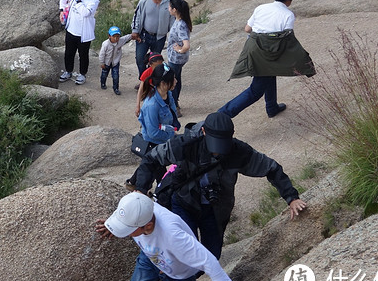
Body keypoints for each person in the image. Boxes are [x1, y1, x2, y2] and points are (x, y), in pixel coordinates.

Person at [128, 112, 307, 261]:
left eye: (223, 146)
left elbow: (272, 168)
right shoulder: (185, 144)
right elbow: (151, 158)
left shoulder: (238, 152)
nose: (218, 151)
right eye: (215, 145)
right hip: (184, 202)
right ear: (204, 132)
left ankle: (191, 278)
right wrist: (141, 189)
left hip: (215, 209)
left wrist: (291, 198)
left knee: (211, 255)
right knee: (185, 248)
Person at [97, 192, 238, 281]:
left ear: (148, 226)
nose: (126, 234)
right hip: (150, 257)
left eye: (128, 229)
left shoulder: (174, 236)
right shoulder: (139, 206)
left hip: (179, 272)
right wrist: (113, 226)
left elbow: (209, 261)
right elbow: (135, 197)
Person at [219, 0, 315, 119]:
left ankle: (272, 107)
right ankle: (222, 115)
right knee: (255, 91)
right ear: (289, 0)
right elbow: (286, 39)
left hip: (254, 50)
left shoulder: (260, 8)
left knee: (269, 72)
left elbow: (247, 29)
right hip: (270, 53)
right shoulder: (288, 15)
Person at [59, 0, 100, 85]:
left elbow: (86, 13)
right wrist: (62, 10)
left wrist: (77, 0)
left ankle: (82, 74)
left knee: (83, 55)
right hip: (71, 30)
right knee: (69, 53)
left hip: (84, 33)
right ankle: (68, 71)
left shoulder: (94, 0)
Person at [130, 0, 171, 83]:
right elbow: (137, 15)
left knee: (155, 61)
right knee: (140, 59)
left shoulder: (169, 3)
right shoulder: (144, 1)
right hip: (144, 35)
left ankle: (153, 81)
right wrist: (135, 30)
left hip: (159, 38)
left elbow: (172, 20)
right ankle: (144, 81)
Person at [138, 63, 180, 151]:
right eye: (173, 79)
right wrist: (172, 136)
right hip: (155, 147)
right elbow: (153, 133)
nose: (176, 81)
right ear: (163, 83)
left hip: (165, 139)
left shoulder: (168, 94)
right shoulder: (152, 105)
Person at [165, 0, 191, 111]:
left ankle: (174, 106)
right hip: (177, 58)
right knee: (177, 79)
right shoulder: (179, 20)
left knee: (172, 81)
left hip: (176, 58)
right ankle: (175, 104)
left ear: (175, 9)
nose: (168, 8)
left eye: (170, 6)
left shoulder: (180, 24)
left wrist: (180, 50)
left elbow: (186, 45)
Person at [99, 26, 133, 94]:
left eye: (118, 36)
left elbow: (126, 38)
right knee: (104, 74)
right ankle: (103, 83)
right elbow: (101, 54)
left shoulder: (120, 41)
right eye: (114, 36)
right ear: (109, 36)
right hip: (106, 62)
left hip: (115, 62)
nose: (116, 38)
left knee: (115, 76)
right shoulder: (105, 44)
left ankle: (116, 88)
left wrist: (133, 35)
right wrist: (102, 63)